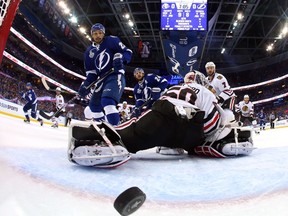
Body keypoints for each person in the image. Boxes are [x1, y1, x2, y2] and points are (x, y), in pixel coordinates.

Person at [67, 72, 254, 167]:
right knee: (203, 138)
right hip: (195, 129)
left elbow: (162, 106)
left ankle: (100, 140)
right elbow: (220, 118)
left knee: (130, 133)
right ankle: (218, 145)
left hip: (167, 114)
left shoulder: (178, 88)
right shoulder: (208, 92)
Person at [77, 23, 133, 126]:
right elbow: (92, 74)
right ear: (92, 35)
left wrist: (121, 58)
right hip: (101, 79)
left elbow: (128, 52)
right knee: (94, 106)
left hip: (115, 75)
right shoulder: (89, 52)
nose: (97, 35)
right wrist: (86, 85)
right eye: (95, 33)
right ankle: (105, 130)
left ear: (103, 33)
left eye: (100, 33)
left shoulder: (112, 40)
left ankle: (117, 131)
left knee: (107, 101)